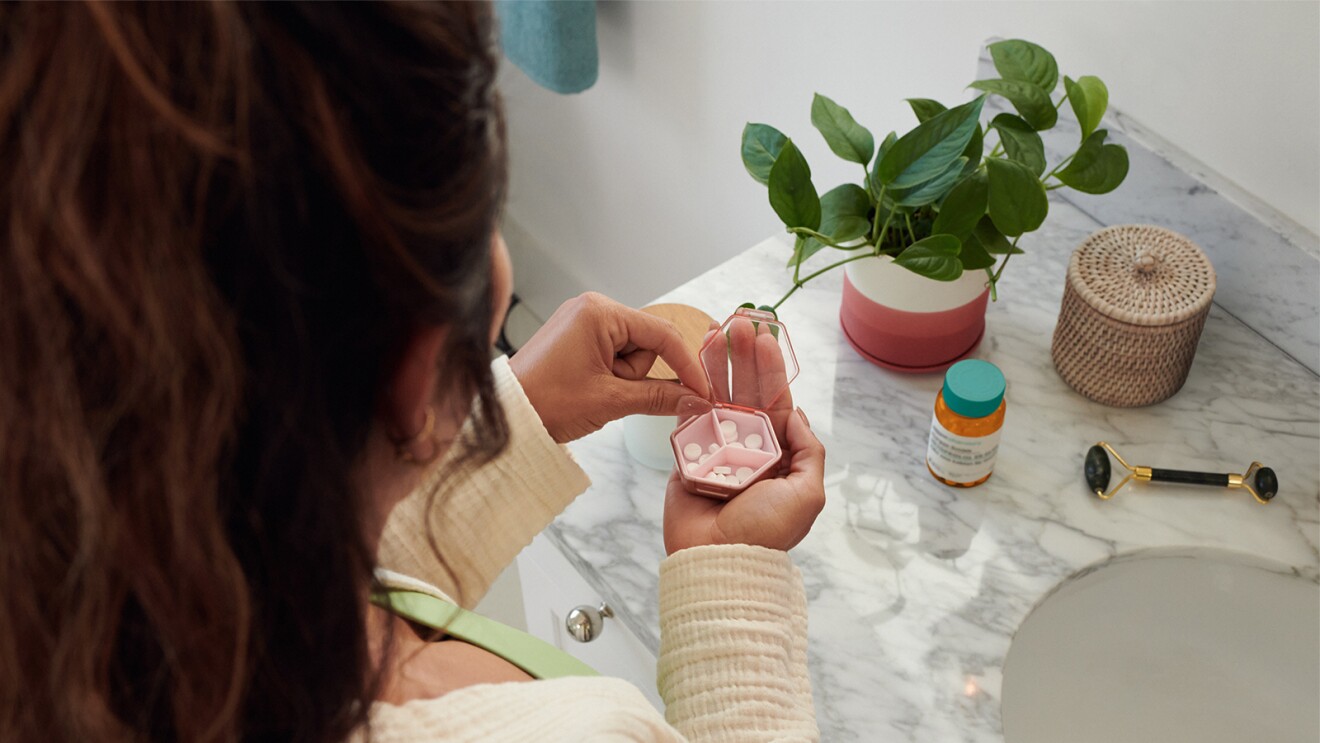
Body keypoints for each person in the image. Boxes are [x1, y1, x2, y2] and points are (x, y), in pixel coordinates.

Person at [0, 3, 825, 742]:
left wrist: (510, 420)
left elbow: (291, 543)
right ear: (418, 356)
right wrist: (733, 593)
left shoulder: (78, 591)